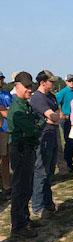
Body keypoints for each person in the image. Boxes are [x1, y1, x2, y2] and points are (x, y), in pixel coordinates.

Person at [7, 72, 43, 238]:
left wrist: (37, 123)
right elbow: (32, 130)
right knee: (20, 188)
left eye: (31, 87)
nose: (30, 90)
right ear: (17, 86)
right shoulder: (18, 108)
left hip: (27, 149)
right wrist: (42, 122)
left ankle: (24, 219)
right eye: (27, 87)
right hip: (21, 150)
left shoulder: (25, 105)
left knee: (26, 187)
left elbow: (34, 124)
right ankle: (18, 226)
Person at [30, 70, 64, 218]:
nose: (53, 84)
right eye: (51, 81)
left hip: (53, 132)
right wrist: (55, 117)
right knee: (41, 170)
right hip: (43, 136)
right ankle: (38, 206)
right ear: (43, 82)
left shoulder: (51, 96)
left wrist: (56, 117)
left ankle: (48, 202)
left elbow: (57, 114)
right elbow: (52, 115)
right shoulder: (37, 98)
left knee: (49, 170)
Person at [56, 74, 73, 171]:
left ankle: (69, 163)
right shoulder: (63, 92)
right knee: (69, 142)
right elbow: (54, 103)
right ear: (66, 82)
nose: (71, 82)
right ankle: (66, 164)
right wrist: (60, 113)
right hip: (67, 119)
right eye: (69, 81)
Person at [0, 71, 12, 200]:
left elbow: (12, 109)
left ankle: (7, 186)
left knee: (5, 160)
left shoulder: (7, 93)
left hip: (7, 130)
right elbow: (5, 112)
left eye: (2, 78)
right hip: (2, 130)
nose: (2, 81)